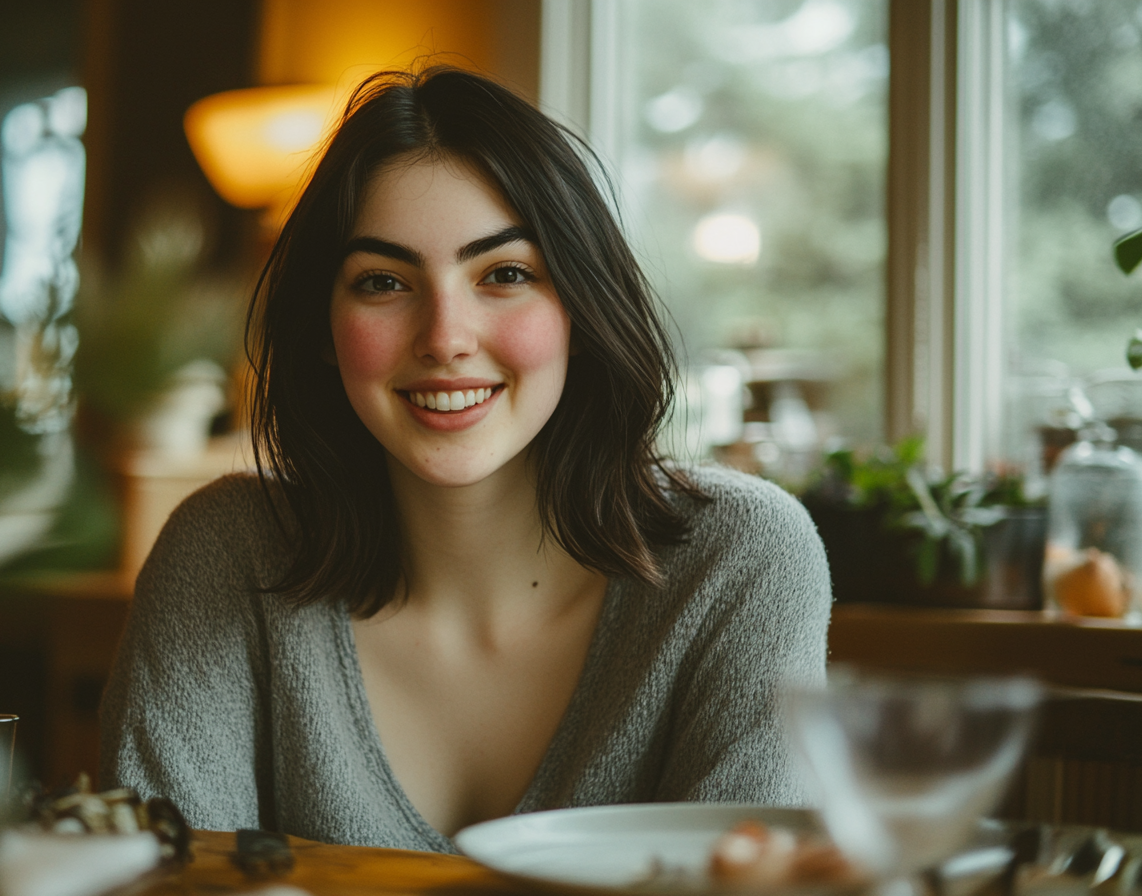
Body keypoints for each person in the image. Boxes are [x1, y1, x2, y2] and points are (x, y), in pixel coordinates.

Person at [100, 66, 831, 853]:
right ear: (321, 326)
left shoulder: (741, 557)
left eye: (505, 274)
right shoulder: (224, 556)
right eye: (383, 281)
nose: (445, 337)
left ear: (579, 312)